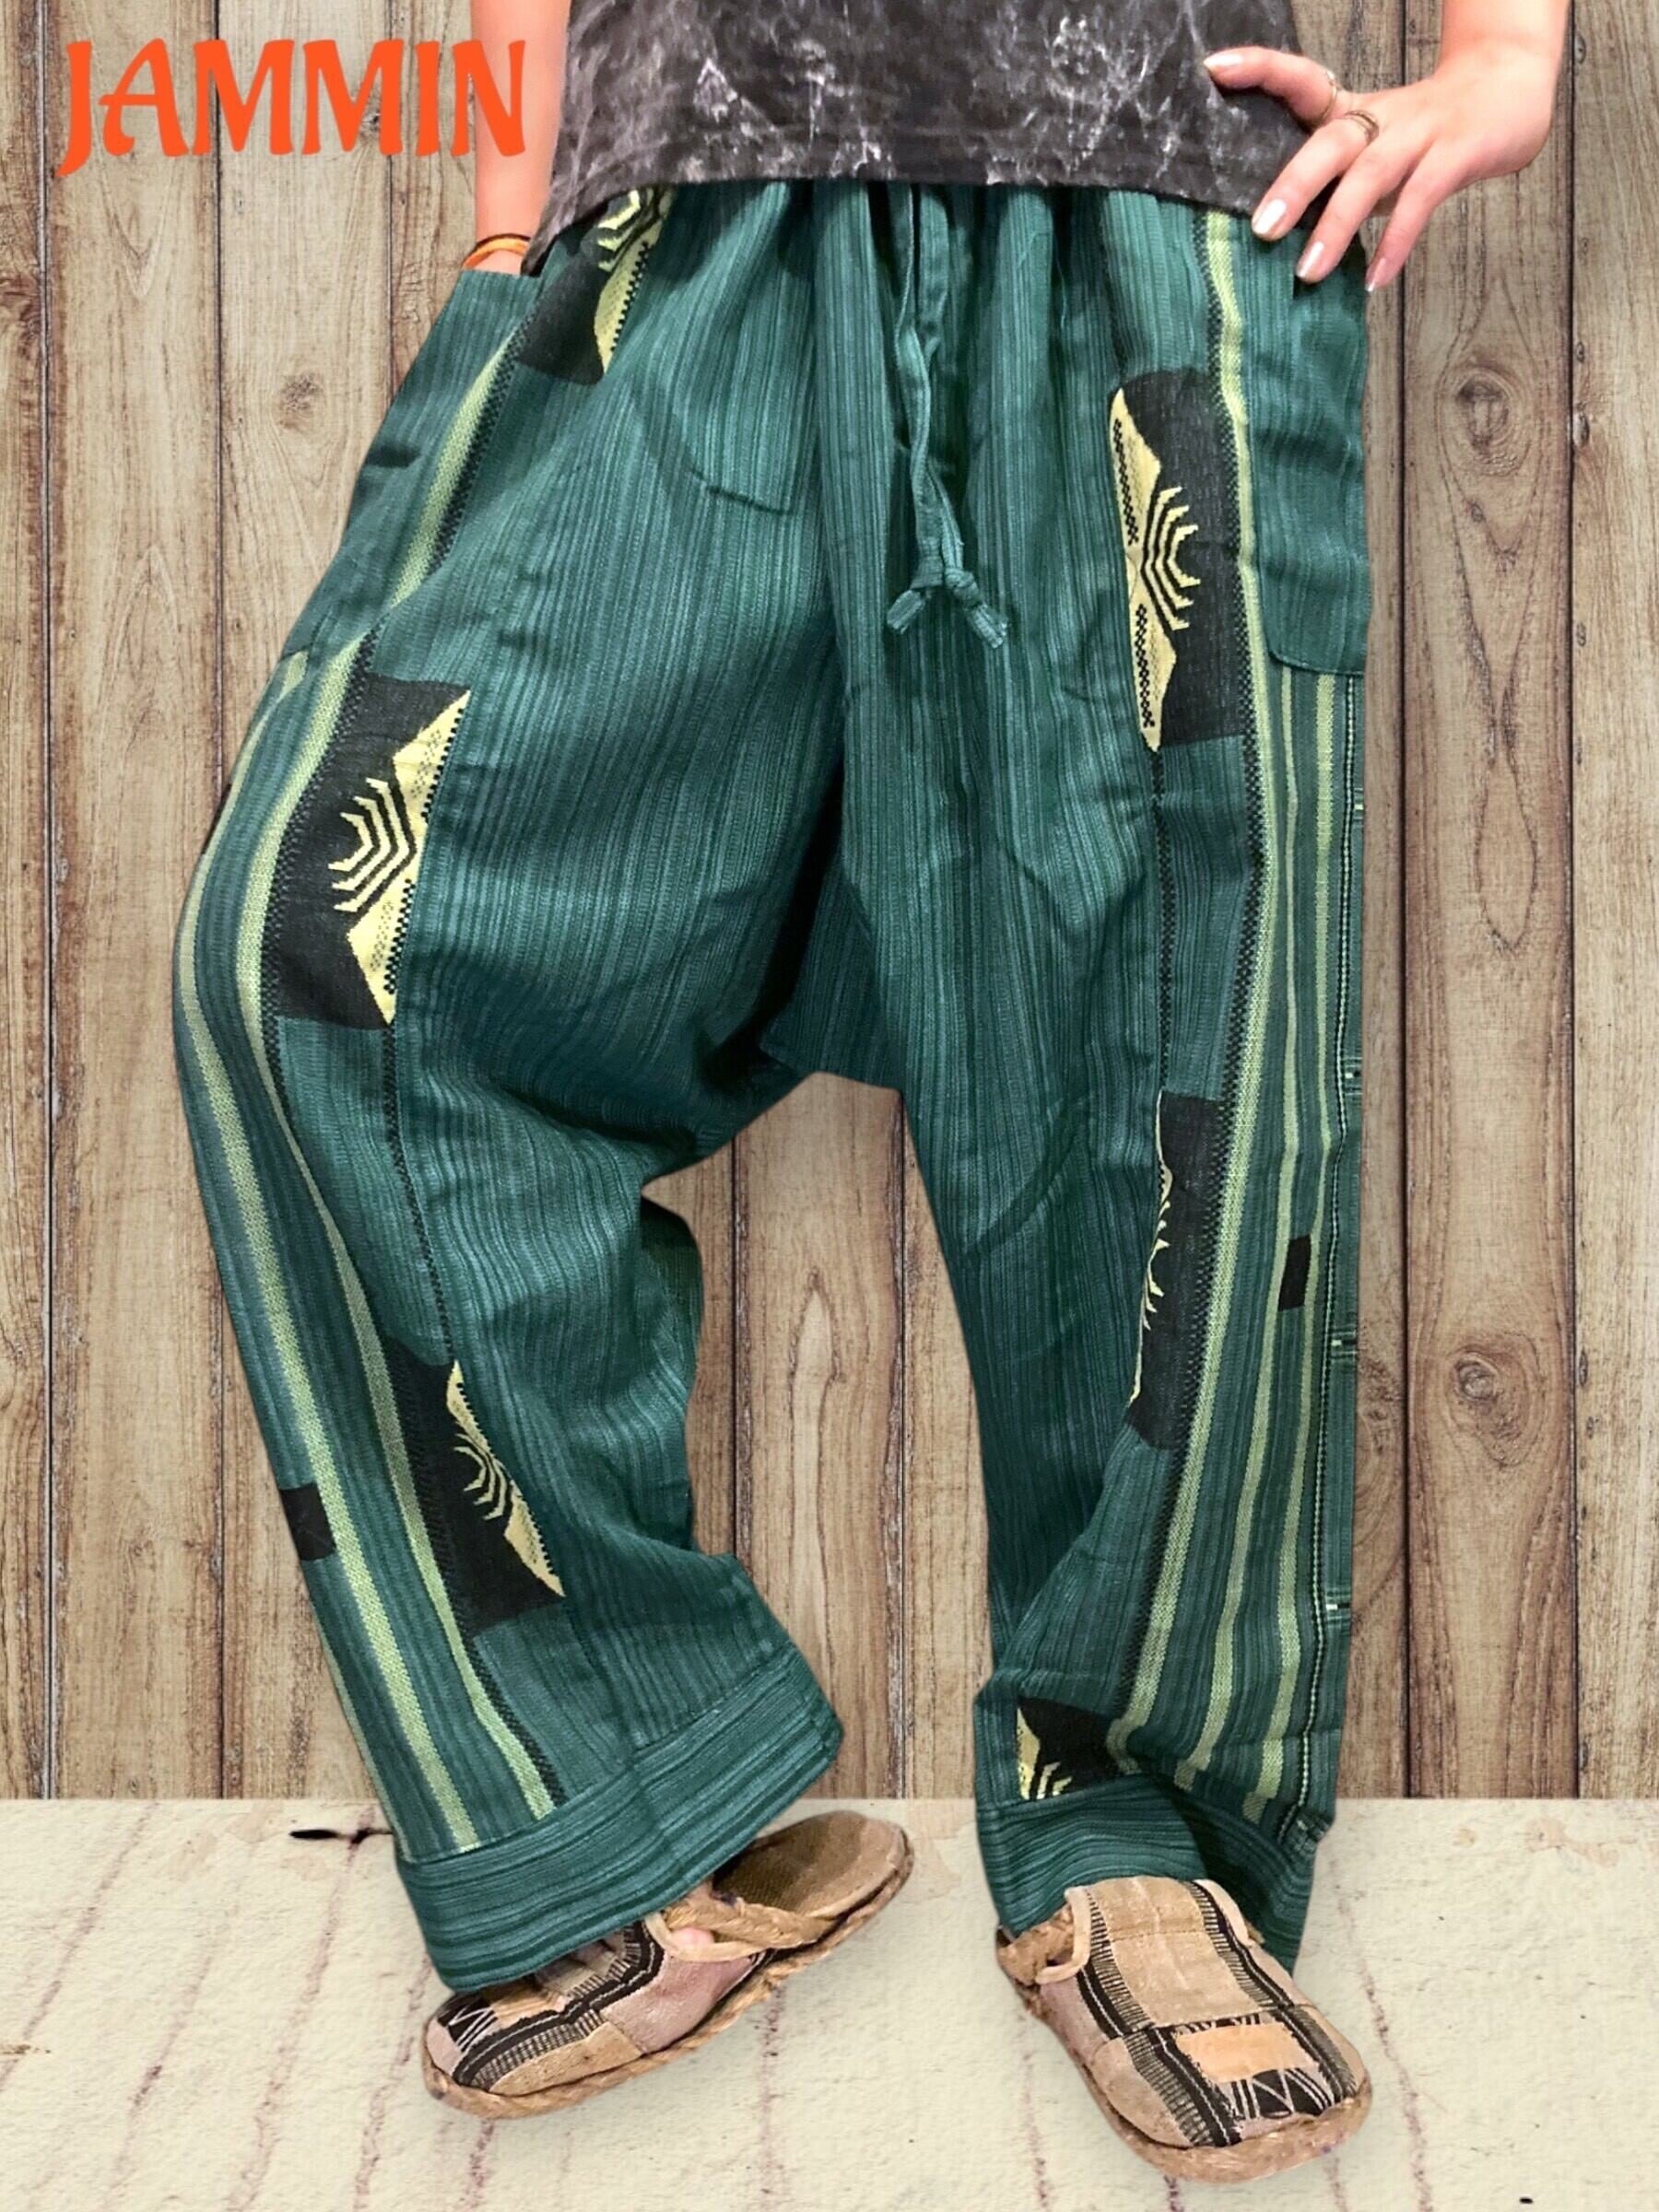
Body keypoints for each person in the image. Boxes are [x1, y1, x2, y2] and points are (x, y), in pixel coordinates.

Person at [172, 0, 1565, 2182]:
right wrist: (508, 229)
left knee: (1171, 1054)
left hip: (1133, 193)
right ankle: (619, 1789)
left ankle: (1133, 1826)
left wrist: (1508, 65)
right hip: (676, 219)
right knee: (328, 956)